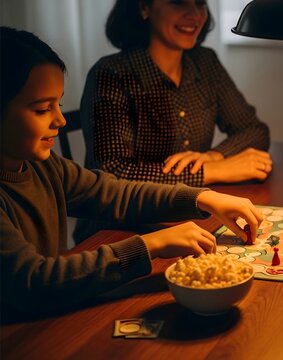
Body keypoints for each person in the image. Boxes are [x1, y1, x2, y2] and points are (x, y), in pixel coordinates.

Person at [0, 26, 263, 313]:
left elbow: (113, 192)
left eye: (58, 104)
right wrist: (150, 245)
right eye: (42, 109)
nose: (60, 120)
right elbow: (36, 281)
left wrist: (201, 198)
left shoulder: (44, 166)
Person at [81, 0, 272, 187]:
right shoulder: (110, 74)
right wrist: (214, 171)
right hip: (132, 217)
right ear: (144, 7)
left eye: (199, 3)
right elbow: (112, 172)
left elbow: (254, 130)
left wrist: (213, 157)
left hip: (194, 206)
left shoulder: (205, 61)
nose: (195, 14)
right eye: (178, 2)